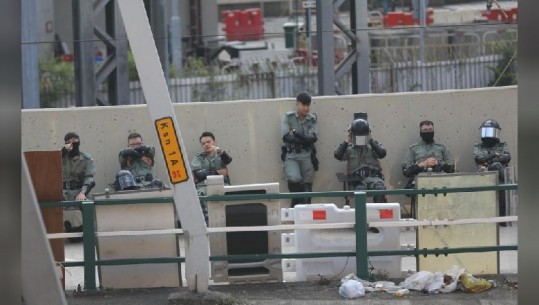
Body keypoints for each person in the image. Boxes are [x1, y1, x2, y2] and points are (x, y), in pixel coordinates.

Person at [401, 120, 455, 218]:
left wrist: (439, 163)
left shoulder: (441, 148)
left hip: (438, 179)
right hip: (419, 181)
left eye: (430, 129)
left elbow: (452, 168)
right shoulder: (414, 148)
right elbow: (406, 171)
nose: (428, 132)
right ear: (420, 132)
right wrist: (421, 164)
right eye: (425, 130)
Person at [334, 118, 387, 203]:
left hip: (374, 178)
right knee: (359, 191)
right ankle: (361, 216)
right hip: (358, 180)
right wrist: (347, 140)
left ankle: (378, 214)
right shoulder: (349, 149)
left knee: (380, 189)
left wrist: (371, 140)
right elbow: (338, 155)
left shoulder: (372, 146)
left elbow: (382, 154)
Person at [281, 92, 319, 206]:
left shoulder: (312, 119)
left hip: (307, 155)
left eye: (308, 105)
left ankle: (306, 209)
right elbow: (286, 137)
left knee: (307, 186)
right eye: (303, 105)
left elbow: (313, 137)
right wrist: (304, 139)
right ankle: (295, 203)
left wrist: (296, 134)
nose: (306, 108)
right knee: (294, 178)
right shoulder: (288, 117)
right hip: (292, 155)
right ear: (297, 104)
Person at [473, 119, 511, 221]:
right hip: (484, 174)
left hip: (500, 175)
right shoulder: (478, 146)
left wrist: (489, 159)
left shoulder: (502, 145)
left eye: (490, 131)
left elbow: (507, 157)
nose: (487, 135)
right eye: (485, 131)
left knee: (501, 183)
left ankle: (503, 218)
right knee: (497, 164)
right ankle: (512, 182)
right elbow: (478, 159)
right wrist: (495, 155)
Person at [191, 131, 233, 223]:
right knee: (198, 197)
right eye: (203, 143)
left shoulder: (221, 155)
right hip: (204, 187)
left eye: (208, 142)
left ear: (214, 142)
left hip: (222, 185)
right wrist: (219, 172)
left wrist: (220, 152)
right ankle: (206, 224)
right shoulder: (198, 158)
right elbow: (199, 174)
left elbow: (228, 160)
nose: (206, 144)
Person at [61, 132, 96, 235]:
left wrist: (83, 192)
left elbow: (89, 178)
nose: (71, 144)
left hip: (78, 190)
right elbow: (49, 162)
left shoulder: (86, 158)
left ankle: (86, 233)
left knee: (86, 203)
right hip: (63, 192)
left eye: (74, 142)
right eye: (68, 142)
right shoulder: (60, 156)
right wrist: (63, 150)